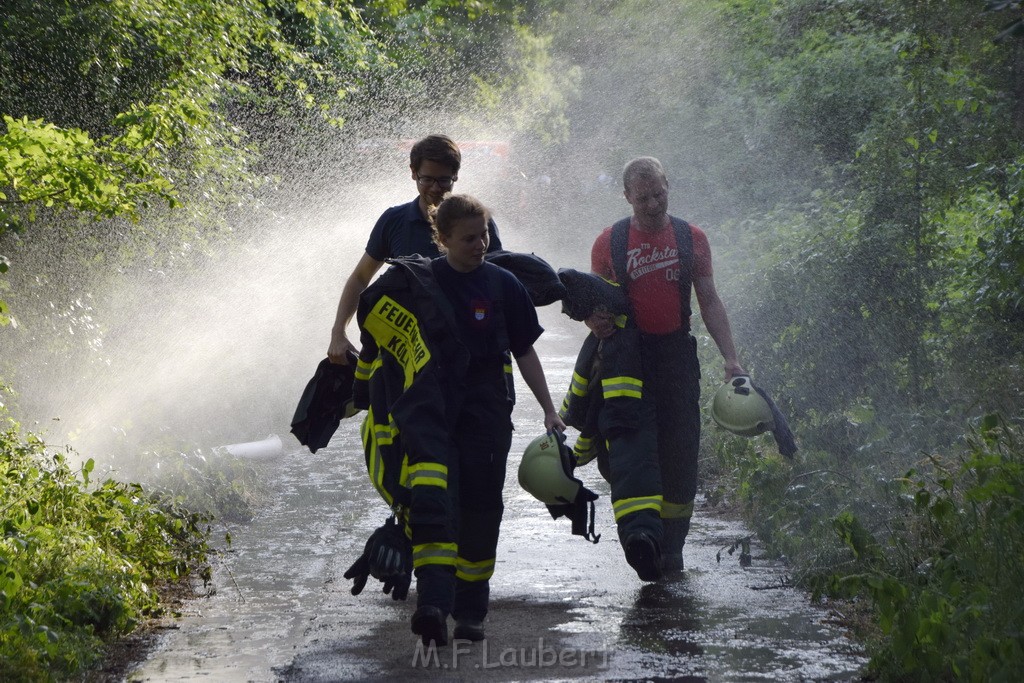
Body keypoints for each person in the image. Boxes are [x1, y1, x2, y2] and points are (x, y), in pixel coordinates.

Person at [353, 193, 565, 647]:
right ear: (442, 239)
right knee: (432, 499)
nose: (480, 244)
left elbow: (525, 352)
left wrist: (549, 409)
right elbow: (379, 344)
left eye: (484, 234)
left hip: (486, 411)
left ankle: (471, 611)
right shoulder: (414, 285)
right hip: (430, 410)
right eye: (468, 238)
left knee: (481, 508)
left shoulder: (505, 285)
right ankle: (432, 603)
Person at [585, 156, 746, 578]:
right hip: (627, 364)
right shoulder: (609, 244)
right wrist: (592, 319)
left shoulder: (692, 239)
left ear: (668, 186)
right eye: (643, 198)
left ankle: (671, 549)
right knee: (631, 450)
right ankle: (641, 539)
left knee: (680, 454)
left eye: (659, 194)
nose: (653, 204)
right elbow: (594, 305)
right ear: (627, 197)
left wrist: (731, 357)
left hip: (676, 358)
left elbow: (708, 299)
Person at [327, 134, 503, 364]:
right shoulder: (394, 221)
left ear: (456, 176)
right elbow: (360, 278)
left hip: (470, 353)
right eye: (426, 179)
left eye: (444, 180)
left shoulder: (479, 224)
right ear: (413, 172)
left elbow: (498, 287)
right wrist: (338, 332)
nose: (435, 188)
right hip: (408, 356)